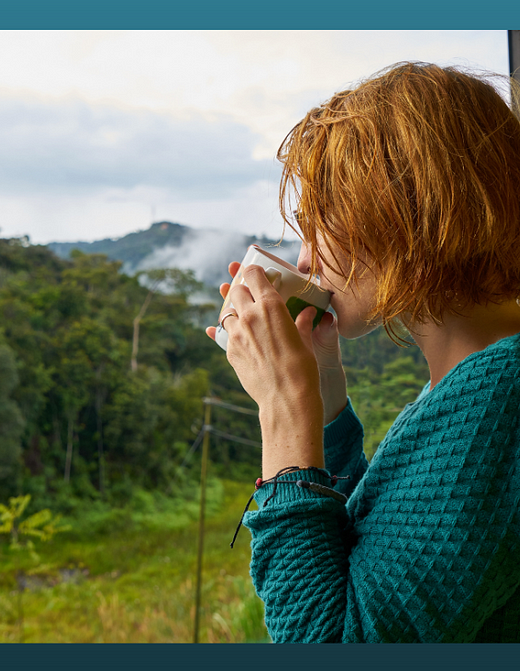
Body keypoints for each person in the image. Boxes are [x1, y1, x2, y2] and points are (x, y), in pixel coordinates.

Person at [206, 62, 520, 643]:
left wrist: (283, 411)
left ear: (400, 208)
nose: (303, 262)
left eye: (317, 224)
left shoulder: (502, 394)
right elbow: (375, 560)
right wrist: (324, 405)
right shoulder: (474, 378)